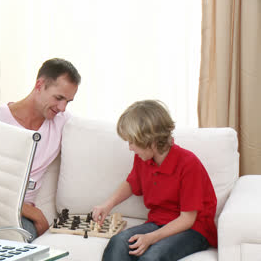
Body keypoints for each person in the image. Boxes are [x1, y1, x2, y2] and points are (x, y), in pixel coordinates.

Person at [92, 100, 217, 261]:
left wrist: (151, 238)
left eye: (132, 142)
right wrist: (107, 205)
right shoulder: (142, 158)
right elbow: (132, 183)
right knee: (118, 242)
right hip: (158, 222)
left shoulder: (188, 164)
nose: (130, 147)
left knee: (151, 257)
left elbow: (187, 219)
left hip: (193, 229)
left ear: (149, 141)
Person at [0, 58, 81, 241]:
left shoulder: (62, 122)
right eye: (59, 98)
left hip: (19, 219)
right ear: (39, 85)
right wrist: (35, 213)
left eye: (68, 101)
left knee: (20, 244)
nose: (62, 108)